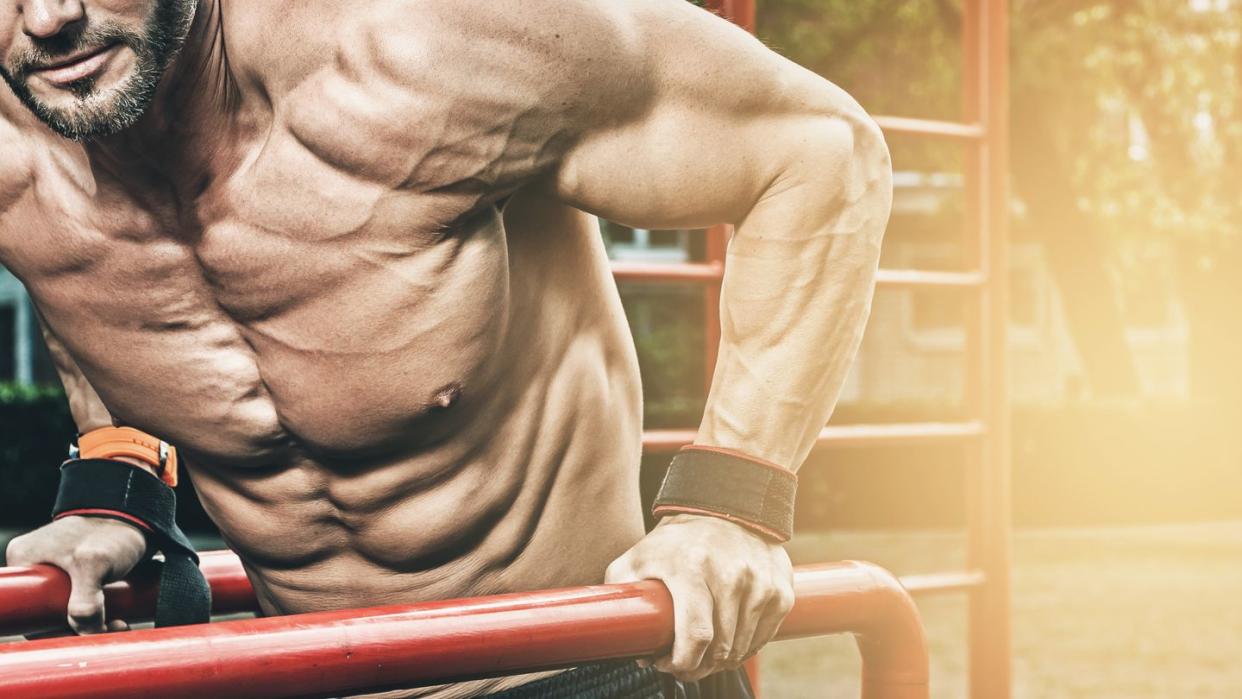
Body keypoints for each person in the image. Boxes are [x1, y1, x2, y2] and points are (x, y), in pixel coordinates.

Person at [0, 0, 892, 696]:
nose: (46, 20)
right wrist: (113, 491)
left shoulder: (424, 48)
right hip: (309, 676)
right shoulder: (22, 153)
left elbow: (817, 153)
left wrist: (732, 507)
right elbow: (80, 285)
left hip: (578, 671)